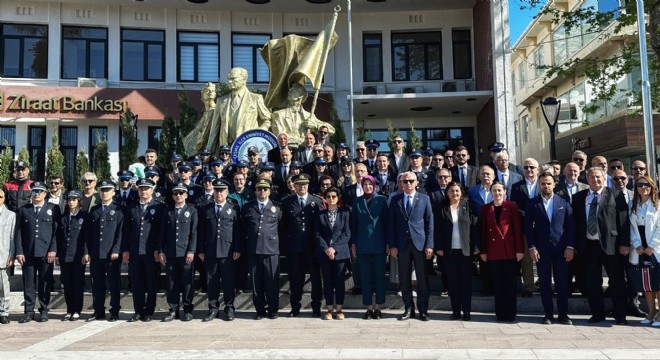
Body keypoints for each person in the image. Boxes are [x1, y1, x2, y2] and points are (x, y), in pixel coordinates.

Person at [573, 167, 630, 325]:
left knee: (617, 281)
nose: (595, 180)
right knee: (592, 281)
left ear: (604, 178)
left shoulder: (616, 194)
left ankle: (620, 315)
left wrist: (625, 243)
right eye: (592, 177)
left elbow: (624, 221)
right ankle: (597, 313)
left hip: (612, 245)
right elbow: (576, 223)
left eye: (598, 177)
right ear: (587, 179)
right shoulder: (578, 197)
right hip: (588, 246)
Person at [525, 173, 575, 325]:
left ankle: (563, 314)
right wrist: (531, 247)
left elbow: (570, 226)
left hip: (561, 249)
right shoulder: (532, 203)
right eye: (542, 184)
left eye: (548, 183)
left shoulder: (563, 201)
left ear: (554, 184)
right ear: (539, 185)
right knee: (545, 283)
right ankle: (548, 314)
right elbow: (528, 228)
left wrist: (570, 246)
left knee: (562, 283)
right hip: (541, 249)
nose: (545, 186)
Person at [388, 171, 434, 321]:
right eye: (404, 181)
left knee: (422, 279)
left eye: (410, 181)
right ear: (400, 183)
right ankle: (408, 308)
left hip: (420, 244)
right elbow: (392, 225)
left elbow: (429, 223)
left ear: (416, 183)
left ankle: (423, 310)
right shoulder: (395, 200)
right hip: (402, 245)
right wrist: (393, 245)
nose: (407, 184)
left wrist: (429, 244)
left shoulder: (425, 199)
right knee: (404, 279)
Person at [15, 181, 60, 323]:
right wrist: (19, 251)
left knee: (45, 282)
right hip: (28, 253)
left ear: (45, 194)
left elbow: (56, 232)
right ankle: (28, 311)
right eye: (34, 191)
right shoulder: (24, 209)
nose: (36, 194)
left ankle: (44, 309)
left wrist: (53, 249)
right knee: (28, 283)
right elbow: (18, 232)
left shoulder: (53, 209)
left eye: (39, 191)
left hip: (46, 252)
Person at [280, 173, 324, 317]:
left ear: (308, 185)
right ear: (295, 186)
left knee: (316, 279)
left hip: (312, 247)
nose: (302, 187)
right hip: (295, 247)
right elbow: (283, 226)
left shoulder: (316, 201)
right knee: (295, 279)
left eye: (304, 184)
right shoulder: (287, 202)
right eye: (299, 184)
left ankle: (316, 307)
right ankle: (295, 307)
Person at [122, 178, 166, 322]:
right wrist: (126, 250)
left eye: (147, 188)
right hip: (135, 252)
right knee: (136, 282)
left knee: (151, 283)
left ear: (152, 190)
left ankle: (149, 311)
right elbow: (126, 232)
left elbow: (161, 232)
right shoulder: (132, 208)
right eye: (141, 188)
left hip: (150, 252)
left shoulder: (159, 207)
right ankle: (138, 310)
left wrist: (158, 249)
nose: (144, 191)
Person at [479, 182, 524, 322]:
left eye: (499, 190)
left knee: (510, 285)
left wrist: (519, 250)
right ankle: (500, 313)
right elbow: (483, 232)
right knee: (498, 285)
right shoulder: (485, 208)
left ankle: (510, 314)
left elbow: (517, 229)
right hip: (493, 252)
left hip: (509, 251)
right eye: (494, 190)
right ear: (490, 192)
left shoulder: (511, 207)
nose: (497, 193)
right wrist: (483, 251)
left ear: (504, 191)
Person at [199, 179, 241, 321]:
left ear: (227, 192)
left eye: (222, 190)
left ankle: (229, 308)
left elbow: (237, 231)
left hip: (228, 251)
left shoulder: (233, 208)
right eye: (216, 190)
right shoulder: (206, 209)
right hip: (210, 251)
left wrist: (237, 249)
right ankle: (213, 308)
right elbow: (201, 231)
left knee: (228, 281)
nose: (219, 193)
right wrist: (201, 250)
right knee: (212, 282)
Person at [435, 182, 476, 320]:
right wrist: (439, 247)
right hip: (449, 251)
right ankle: (456, 311)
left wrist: (475, 248)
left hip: (465, 251)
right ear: (447, 193)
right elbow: (438, 230)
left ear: (461, 193)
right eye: (452, 191)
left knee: (466, 282)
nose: (455, 194)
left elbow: (475, 227)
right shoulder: (442, 208)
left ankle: (467, 311)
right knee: (453, 282)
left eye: (457, 191)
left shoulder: (468, 206)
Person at [84, 180, 124, 322]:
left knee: (114, 284)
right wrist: (87, 251)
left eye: (108, 190)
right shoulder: (94, 210)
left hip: (111, 255)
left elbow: (120, 233)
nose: (105, 193)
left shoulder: (118, 209)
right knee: (97, 284)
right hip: (96, 253)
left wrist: (116, 250)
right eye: (102, 190)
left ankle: (114, 311)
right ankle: (99, 310)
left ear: (113, 192)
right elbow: (88, 234)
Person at [243, 179, 281, 320]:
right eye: (259, 189)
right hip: (253, 250)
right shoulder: (248, 207)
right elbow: (243, 229)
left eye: (265, 189)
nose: (262, 191)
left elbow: (281, 230)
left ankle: (273, 309)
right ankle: (260, 310)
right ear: (255, 191)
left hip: (271, 251)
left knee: (272, 282)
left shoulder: (277, 208)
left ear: (270, 191)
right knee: (256, 283)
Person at [159, 183, 198, 322]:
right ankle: (173, 310)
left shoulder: (192, 210)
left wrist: (191, 250)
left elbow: (194, 233)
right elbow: (162, 234)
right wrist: (161, 251)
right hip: (170, 253)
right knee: (171, 283)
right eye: (176, 193)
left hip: (186, 253)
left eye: (181, 193)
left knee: (187, 283)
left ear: (186, 195)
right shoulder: (167, 212)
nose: (178, 196)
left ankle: (187, 310)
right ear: (172, 196)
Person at [351, 175, 388, 320]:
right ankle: (368, 307)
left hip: (379, 242)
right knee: (365, 276)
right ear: (362, 186)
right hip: (362, 243)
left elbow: (387, 222)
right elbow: (353, 223)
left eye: (370, 184)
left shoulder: (382, 199)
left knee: (379, 276)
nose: (368, 187)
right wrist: (353, 243)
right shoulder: (357, 201)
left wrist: (388, 243)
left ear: (374, 186)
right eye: (365, 184)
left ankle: (378, 307)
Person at [209, 67, 271, 148]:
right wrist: (208, 152)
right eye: (228, 79)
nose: (229, 81)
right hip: (226, 150)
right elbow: (214, 129)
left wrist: (261, 131)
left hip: (248, 147)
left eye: (233, 78)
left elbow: (267, 119)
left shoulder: (255, 99)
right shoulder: (221, 101)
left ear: (244, 79)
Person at [628, 175, 660, 327]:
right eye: (640, 185)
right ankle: (651, 312)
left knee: (658, 284)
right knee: (647, 285)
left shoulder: (658, 205)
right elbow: (630, 228)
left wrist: (652, 245)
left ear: (652, 186)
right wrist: (637, 244)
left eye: (646, 184)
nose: (643, 187)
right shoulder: (632, 205)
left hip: (655, 249)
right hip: (640, 249)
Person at [316, 187, 351, 320]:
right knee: (328, 281)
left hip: (340, 252)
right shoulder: (320, 214)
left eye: (334, 196)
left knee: (339, 281)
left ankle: (339, 309)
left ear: (338, 198)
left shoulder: (345, 213)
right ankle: (329, 309)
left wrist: (334, 248)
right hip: (324, 253)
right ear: (325, 198)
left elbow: (347, 233)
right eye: (328, 196)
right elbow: (317, 234)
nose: (331, 199)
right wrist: (326, 249)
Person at [509, 158, 540, 298]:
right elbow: (514, 206)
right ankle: (528, 286)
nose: (529, 170)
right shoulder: (516, 186)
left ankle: (546, 284)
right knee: (527, 259)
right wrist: (529, 217)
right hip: (524, 227)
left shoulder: (544, 184)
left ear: (537, 170)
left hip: (542, 227)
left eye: (532, 167)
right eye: (526, 167)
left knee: (544, 257)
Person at [56, 190, 87, 321]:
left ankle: (77, 310)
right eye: (69, 200)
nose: (71, 202)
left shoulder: (84, 217)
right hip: (64, 255)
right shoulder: (63, 217)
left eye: (74, 200)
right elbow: (58, 237)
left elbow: (86, 237)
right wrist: (57, 254)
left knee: (77, 284)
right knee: (67, 284)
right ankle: (69, 309)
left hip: (77, 255)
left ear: (79, 201)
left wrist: (86, 253)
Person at [270, 84, 335, 146]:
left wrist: (315, 126)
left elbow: (331, 130)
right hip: (287, 151)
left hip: (305, 151)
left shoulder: (309, 116)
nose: (289, 92)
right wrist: (303, 141)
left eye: (293, 91)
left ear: (300, 96)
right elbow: (280, 136)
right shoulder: (278, 115)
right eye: (290, 90)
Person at [183, 82, 217, 155]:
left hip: (210, 149)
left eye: (213, 91)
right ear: (202, 94)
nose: (210, 92)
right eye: (207, 91)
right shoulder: (205, 112)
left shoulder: (215, 110)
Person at [0, 189, 15, 324]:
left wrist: (11, 255)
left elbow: (12, 238)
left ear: (4, 198)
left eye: (0, 197)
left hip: (3, 256)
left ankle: (3, 312)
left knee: (4, 287)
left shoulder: (11, 215)